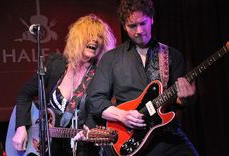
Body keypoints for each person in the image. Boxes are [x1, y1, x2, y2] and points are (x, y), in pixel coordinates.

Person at [85, 0, 199, 155]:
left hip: (166, 134)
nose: (139, 30)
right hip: (130, 137)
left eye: (143, 23)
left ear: (151, 19)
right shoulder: (111, 59)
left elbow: (179, 102)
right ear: (124, 26)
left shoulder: (172, 55)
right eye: (132, 26)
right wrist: (122, 115)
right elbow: (95, 100)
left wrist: (186, 98)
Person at [11, 14, 116, 156]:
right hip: (48, 149)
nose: (95, 40)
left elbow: (101, 110)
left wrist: (89, 130)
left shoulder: (101, 75)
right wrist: (21, 127)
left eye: (99, 37)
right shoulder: (56, 64)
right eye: (89, 34)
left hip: (81, 150)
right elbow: (24, 94)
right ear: (77, 38)